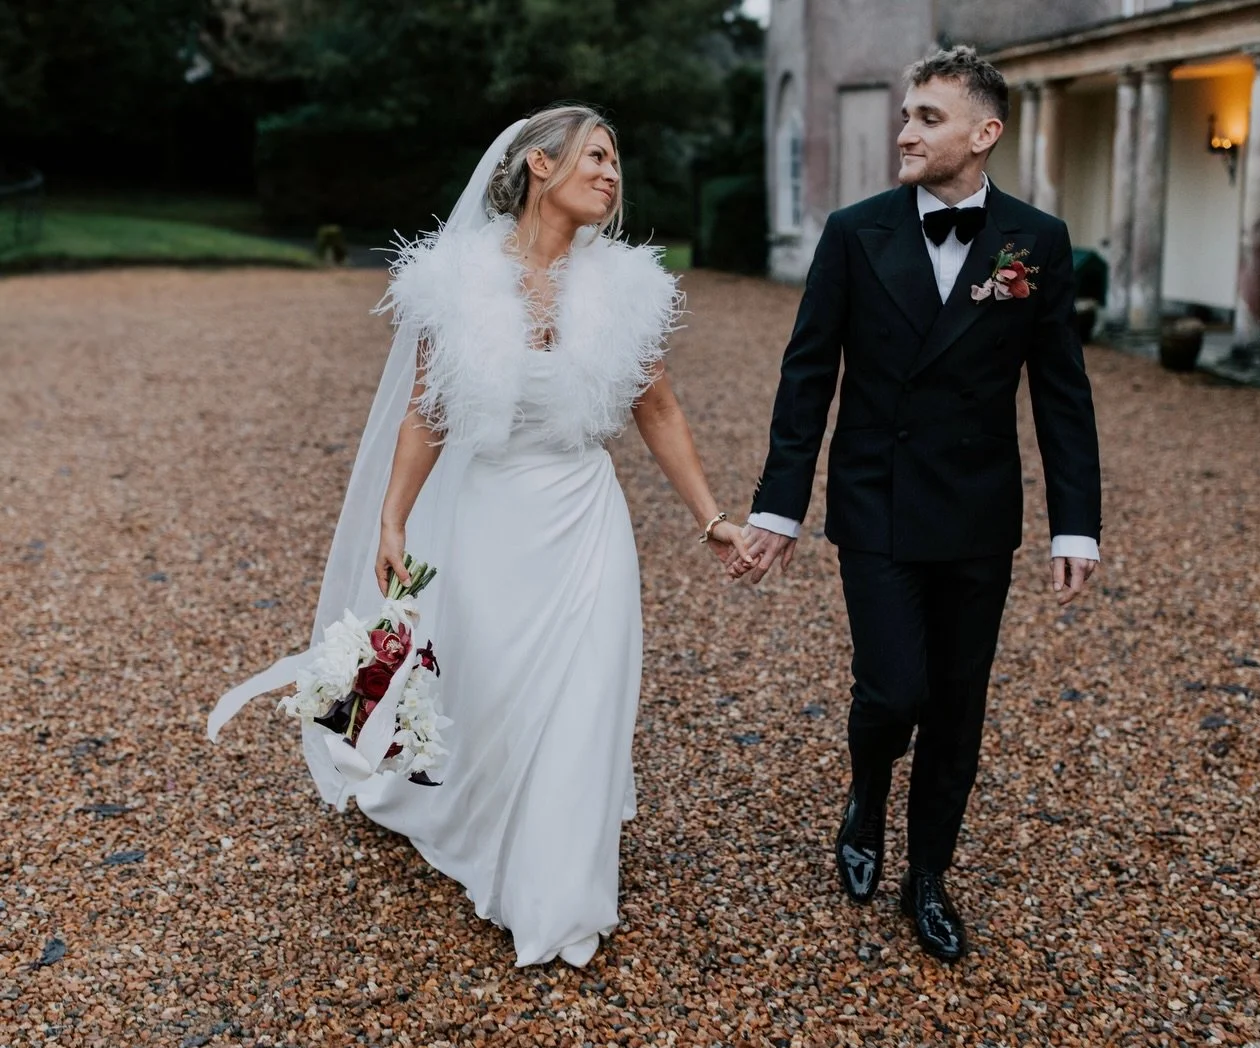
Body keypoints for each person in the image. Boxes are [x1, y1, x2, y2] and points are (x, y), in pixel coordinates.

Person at [216, 104, 752, 968]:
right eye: (597, 156)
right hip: (491, 517)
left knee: (584, 696)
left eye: (618, 161)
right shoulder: (458, 279)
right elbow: (427, 418)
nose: (613, 174)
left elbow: (659, 408)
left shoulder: (626, 286)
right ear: (539, 166)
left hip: (584, 515)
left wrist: (712, 518)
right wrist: (391, 519)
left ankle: (559, 891)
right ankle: (470, 811)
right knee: (497, 692)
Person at [733, 46, 1102, 962]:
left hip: (979, 511)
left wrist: (1077, 520)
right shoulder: (855, 231)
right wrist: (779, 506)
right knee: (896, 687)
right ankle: (866, 794)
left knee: (958, 707)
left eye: (928, 117)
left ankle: (928, 875)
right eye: (905, 113)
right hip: (878, 500)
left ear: (986, 133)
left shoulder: (1035, 241)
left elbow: (1060, 391)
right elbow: (807, 375)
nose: (905, 129)